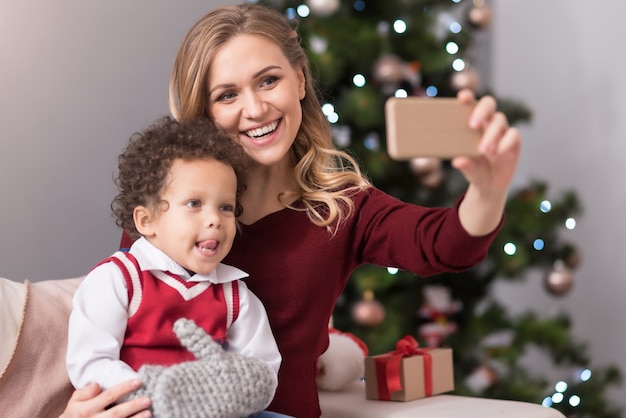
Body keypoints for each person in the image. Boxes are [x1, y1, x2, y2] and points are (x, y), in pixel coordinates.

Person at [63, 2, 521, 417]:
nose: (256, 108)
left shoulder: (342, 208)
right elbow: (118, 334)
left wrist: (488, 189)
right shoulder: (167, 209)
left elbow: (442, 244)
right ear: (204, 112)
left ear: (299, 80)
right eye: (227, 95)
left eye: (269, 80)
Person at [65, 116, 282, 416]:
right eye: (194, 203)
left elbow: (263, 369)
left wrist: (227, 395)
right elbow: (90, 361)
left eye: (226, 207)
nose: (215, 219)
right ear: (147, 220)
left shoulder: (235, 296)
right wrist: (154, 395)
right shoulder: (119, 278)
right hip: (143, 406)